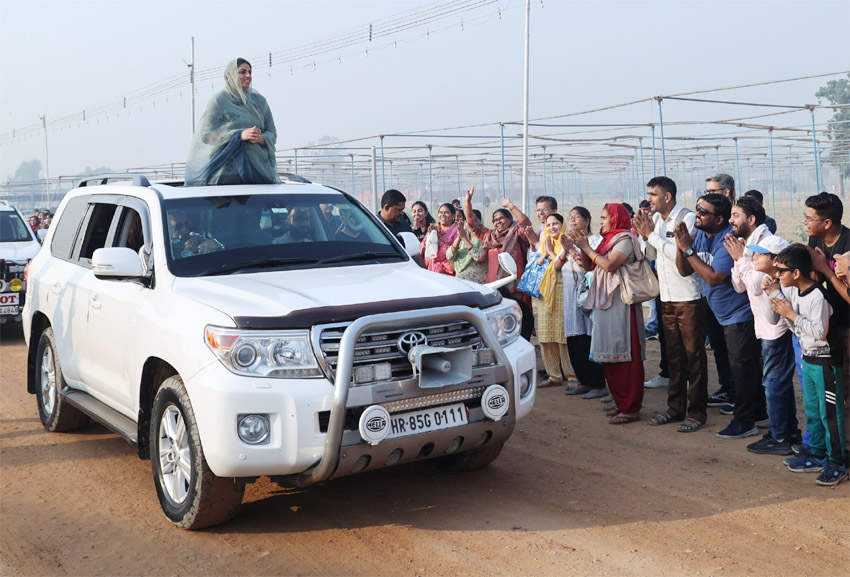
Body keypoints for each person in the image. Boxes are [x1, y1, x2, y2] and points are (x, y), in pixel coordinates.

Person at [674, 193, 767, 439]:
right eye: (697, 209)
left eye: (703, 212)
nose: (698, 215)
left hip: (740, 314)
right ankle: (759, 411)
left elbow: (714, 278)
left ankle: (744, 421)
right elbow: (684, 271)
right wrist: (680, 246)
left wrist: (688, 249)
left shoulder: (727, 239)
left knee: (742, 368)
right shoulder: (702, 236)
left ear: (720, 219)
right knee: (744, 366)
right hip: (722, 314)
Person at [765, 244, 847, 486]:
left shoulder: (817, 296)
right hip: (808, 361)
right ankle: (819, 454)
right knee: (812, 411)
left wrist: (792, 314)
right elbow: (772, 318)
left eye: (781, 271)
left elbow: (820, 332)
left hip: (825, 363)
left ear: (797, 273)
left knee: (829, 414)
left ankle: (838, 463)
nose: (777, 275)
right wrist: (772, 293)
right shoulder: (789, 291)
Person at [632, 177, 707, 433]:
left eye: (653, 194)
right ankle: (675, 408)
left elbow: (679, 255)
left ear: (667, 196)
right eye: (648, 193)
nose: (649, 199)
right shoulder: (656, 220)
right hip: (666, 298)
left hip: (688, 298)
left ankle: (697, 412)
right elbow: (651, 255)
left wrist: (650, 235)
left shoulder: (685, 218)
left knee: (694, 356)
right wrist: (645, 236)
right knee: (674, 356)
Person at [727, 230, 800, 455]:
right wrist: (740, 261)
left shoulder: (769, 279)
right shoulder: (766, 274)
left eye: (761, 255)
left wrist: (740, 260)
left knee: (774, 385)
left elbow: (751, 287)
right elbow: (739, 284)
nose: (754, 258)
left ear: (776, 260)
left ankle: (779, 437)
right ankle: (787, 432)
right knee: (779, 385)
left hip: (775, 333)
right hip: (768, 332)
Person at [572, 203, 645, 424]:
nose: (601, 221)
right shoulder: (607, 239)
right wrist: (578, 248)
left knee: (625, 353)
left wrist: (588, 249)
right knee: (609, 352)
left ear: (615, 218)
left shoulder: (624, 239)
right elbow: (590, 267)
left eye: (605, 217)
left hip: (621, 304)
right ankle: (620, 401)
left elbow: (610, 265)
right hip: (605, 302)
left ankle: (631, 406)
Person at [185, 58, 278, 186]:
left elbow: (272, 132)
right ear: (231, 75)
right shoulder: (219, 100)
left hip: (259, 172)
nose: (248, 76)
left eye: (250, 72)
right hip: (225, 174)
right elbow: (206, 136)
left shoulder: (260, 102)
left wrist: (260, 138)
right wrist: (239, 135)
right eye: (242, 72)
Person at [803, 192, 850, 449]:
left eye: (810, 218)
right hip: (828, 326)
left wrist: (824, 270)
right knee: (835, 389)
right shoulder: (816, 238)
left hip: (847, 326)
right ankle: (837, 443)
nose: (806, 223)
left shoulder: (848, 246)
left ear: (827, 222)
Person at [463, 185, 534, 340]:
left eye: (502, 218)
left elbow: (526, 224)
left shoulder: (517, 234)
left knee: (518, 317)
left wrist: (511, 206)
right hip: (495, 286)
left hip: (514, 285)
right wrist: (467, 203)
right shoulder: (490, 237)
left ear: (510, 219)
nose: (498, 221)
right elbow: (473, 224)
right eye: (495, 220)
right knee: (499, 322)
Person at [554, 208, 607, 398]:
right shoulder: (569, 241)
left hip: (588, 295)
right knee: (574, 339)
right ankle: (583, 380)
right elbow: (556, 267)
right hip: (570, 295)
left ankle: (598, 383)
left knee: (589, 338)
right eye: (570, 217)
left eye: (577, 217)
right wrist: (565, 249)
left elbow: (588, 267)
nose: (573, 220)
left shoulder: (595, 241)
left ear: (587, 220)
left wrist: (571, 249)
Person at [446, 209, 487, 283]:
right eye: (468, 221)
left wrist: (464, 238)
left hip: (477, 281)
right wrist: (459, 238)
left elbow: (478, 256)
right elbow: (449, 256)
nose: (470, 224)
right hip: (460, 279)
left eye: (473, 221)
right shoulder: (464, 236)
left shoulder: (485, 237)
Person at [422, 203, 458, 275]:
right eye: (441, 212)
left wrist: (438, 239)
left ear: (453, 215)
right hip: (430, 269)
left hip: (446, 271)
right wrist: (430, 236)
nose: (443, 215)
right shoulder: (434, 229)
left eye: (446, 212)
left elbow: (450, 253)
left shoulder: (456, 231)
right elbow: (423, 248)